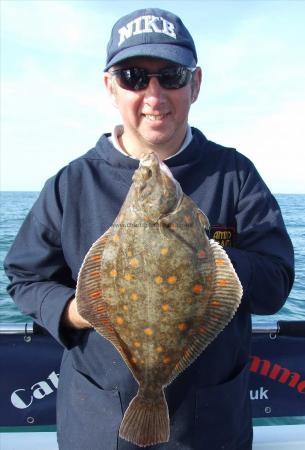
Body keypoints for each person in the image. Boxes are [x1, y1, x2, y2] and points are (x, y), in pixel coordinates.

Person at [4, 7, 294, 450]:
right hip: (97, 423)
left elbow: (275, 284)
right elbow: (24, 277)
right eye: (135, 77)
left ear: (195, 84)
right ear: (111, 88)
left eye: (172, 76)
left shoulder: (235, 174)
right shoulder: (71, 183)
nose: (154, 95)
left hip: (210, 428)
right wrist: (80, 310)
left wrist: (206, 261)